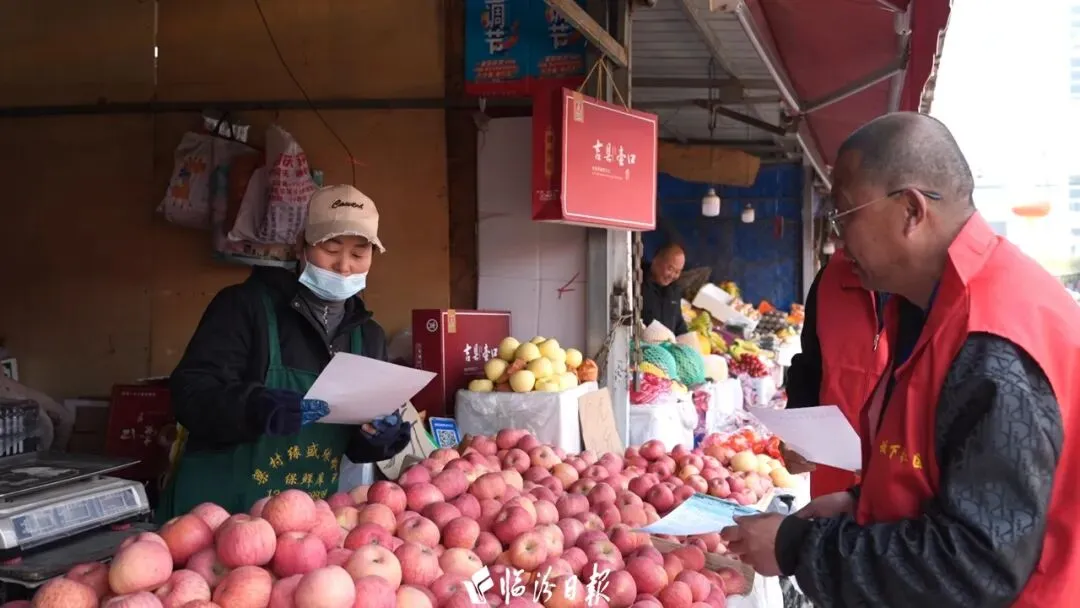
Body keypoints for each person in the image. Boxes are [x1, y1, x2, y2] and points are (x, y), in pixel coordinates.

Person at [721, 112, 1080, 607]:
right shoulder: (931, 307)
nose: (839, 240)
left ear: (911, 210)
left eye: (845, 215)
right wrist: (861, 503)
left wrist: (797, 548)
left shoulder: (992, 339)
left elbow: (976, 565)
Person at [160, 185, 413, 518]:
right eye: (331, 248)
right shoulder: (243, 307)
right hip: (216, 518)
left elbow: (353, 445)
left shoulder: (368, 337)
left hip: (301, 527)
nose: (344, 266)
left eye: (358, 254)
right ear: (301, 247)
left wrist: (381, 437)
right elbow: (190, 395)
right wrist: (254, 408)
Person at [784, 251, 890, 498]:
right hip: (831, 479)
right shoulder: (829, 279)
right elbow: (809, 366)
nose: (841, 236)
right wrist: (796, 432)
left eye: (852, 217)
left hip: (897, 481)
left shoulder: (931, 289)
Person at [642, 243, 688, 335]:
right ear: (656, 260)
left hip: (664, 347)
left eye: (677, 272)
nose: (672, 276)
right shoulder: (637, 283)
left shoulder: (675, 291)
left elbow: (679, 324)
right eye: (670, 268)